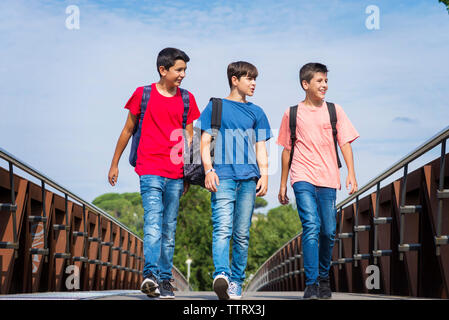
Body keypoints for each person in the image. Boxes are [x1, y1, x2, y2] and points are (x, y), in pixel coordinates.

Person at [107, 48, 200, 299]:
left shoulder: (187, 99)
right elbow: (127, 130)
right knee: (153, 223)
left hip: (176, 173)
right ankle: (150, 275)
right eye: (179, 70)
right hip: (149, 169)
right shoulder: (142, 94)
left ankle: (165, 280)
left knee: (169, 228)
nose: (183, 75)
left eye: (184, 71)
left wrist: (189, 175)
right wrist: (114, 163)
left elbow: (190, 138)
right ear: (163, 70)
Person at [277, 62, 359, 300]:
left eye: (326, 81)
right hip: (301, 176)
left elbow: (345, 142)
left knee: (328, 230)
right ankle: (311, 283)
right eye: (319, 81)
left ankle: (324, 277)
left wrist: (351, 173)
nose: (324, 85)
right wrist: (283, 184)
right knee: (311, 226)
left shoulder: (335, 110)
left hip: (328, 177)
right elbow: (286, 150)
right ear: (305, 84)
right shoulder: (291, 113)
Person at [198, 61, 272, 300]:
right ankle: (221, 274)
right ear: (234, 79)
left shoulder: (257, 112)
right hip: (223, 176)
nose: (254, 83)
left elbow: (261, 147)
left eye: (255, 79)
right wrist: (208, 170)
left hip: (249, 179)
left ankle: (236, 282)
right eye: (249, 78)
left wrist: (265, 175)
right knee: (222, 228)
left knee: (241, 233)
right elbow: (204, 142)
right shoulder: (215, 106)